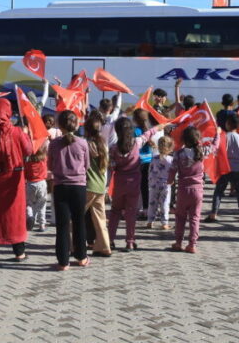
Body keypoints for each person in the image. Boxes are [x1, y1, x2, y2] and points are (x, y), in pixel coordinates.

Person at [0, 98, 33, 260]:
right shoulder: (17, 132)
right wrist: (27, 135)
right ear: (8, 113)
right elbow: (29, 151)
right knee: (15, 215)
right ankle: (19, 251)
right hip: (15, 179)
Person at [108, 117, 163, 252]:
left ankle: (109, 240)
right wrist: (158, 127)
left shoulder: (113, 148)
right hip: (134, 184)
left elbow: (111, 166)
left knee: (115, 212)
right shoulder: (136, 143)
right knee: (131, 213)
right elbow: (147, 134)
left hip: (119, 183)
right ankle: (130, 242)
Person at [47, 110, 91, 270]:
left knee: (62, 225)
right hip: (79, 186)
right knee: (79, 223)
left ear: (59, 124)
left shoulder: (54, 144)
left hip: (60, 186)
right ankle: (81, 257)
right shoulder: (83, 143)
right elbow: (87, 166)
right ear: (76, 124)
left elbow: (50, 166)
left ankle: (63, 261)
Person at [168, 126, 206, 254]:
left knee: (180, 217)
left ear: (183, 139)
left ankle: (178, 242)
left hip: (183, 190)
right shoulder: (202, 151)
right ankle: (192, 244)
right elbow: (215, 146)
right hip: (198, 191)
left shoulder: (178, 154)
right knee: (195, 218)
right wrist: (217, 134)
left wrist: (170, 180)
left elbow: (172, 170)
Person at [205, 115, 239, 223]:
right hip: (237, 168)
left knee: (219, 191)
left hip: (225, 168)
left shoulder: (223, 136)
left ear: (227, 124)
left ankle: (213, 213)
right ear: (238, 125)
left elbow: (218, 151)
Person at [83, 111, 113, 257]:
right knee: (100, 219)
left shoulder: (86, 145)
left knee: (74, 217)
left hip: (88, 186)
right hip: (101, 187)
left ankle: (73, 245)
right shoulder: (104, 145)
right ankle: (104, 246)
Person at [145, 135, 175, 230]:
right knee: (165, 203)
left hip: (154, 183)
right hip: (165, 184)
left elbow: (150, 170)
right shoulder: (171, 160)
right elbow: (173, 172)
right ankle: (164, 223)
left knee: (152, 202)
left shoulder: (154, 158)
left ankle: (150, 221)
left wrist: (149, 180)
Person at [24, 135, 50, 233]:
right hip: (42, 183)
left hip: (30, 184)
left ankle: (30, 216)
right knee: (42, 204)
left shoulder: (28, 162)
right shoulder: (44, 159)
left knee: (29, 203)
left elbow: (25, 174)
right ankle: (42, 224)